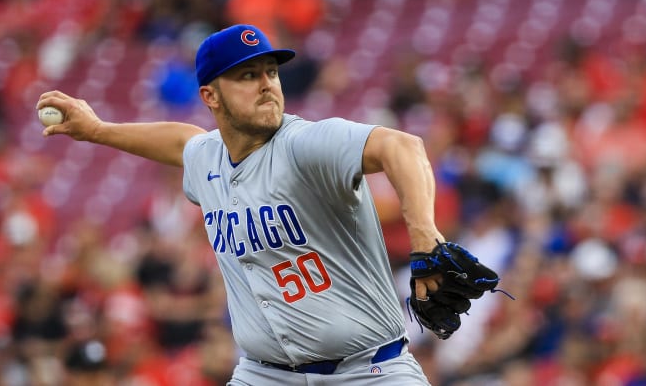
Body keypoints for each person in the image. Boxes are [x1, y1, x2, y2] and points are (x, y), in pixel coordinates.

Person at [36, 24, 453, 385]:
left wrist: (424, 236)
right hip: (265, 374)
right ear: (211, 96)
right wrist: (98, 130)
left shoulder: (306, 145)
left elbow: (403, 146)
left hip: (368, 371)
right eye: (248, 75)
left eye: (271, 71)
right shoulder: (207, 157)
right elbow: (182, 141)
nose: (267, 83)